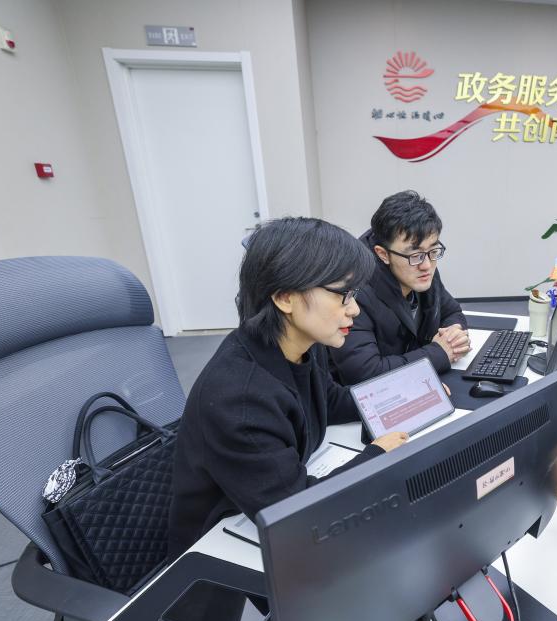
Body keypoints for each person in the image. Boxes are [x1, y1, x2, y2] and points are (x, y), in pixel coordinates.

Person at [168, 218, 409, 557]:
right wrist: (376, 457)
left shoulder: (298, 345)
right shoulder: (240, 399)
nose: (354, 309)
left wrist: (403, 397)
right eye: (344, 295)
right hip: (217, 549)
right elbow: (297, 516)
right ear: (285, 298)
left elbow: (330, 400)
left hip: (267, 505)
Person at [329, 190, 469, 384]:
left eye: (433, 250)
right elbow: (364, 373)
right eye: (416, 255)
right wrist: (438, 353)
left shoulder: (421, 266)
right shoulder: (354, 292)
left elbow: (452, 311)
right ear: (383, 254)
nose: (427, 265)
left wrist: (454, 335)